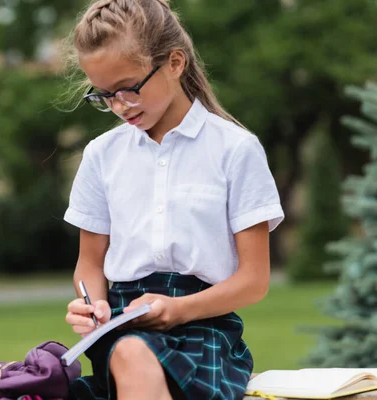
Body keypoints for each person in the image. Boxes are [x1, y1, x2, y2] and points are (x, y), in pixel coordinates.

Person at [63, 1, 284, 399]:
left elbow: (254, 281)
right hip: (121, 325)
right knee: (127, 351)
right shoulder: (101, 155)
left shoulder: (235, 149)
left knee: (132, 354)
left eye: (129, 88)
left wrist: (178, 310)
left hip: (206, 328)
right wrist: (91, 304)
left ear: (175, 63)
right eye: (105, 95)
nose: (119, 105)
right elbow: (89, 263)